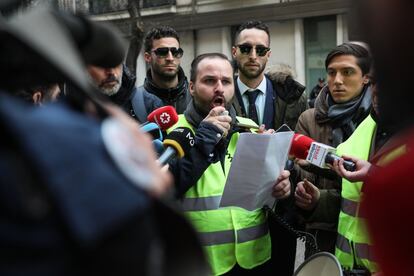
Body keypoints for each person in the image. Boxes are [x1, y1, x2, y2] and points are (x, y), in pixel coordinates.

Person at [169, 53, 291, 276]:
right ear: (192, 87)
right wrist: (204, 138)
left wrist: (280, 188)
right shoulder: (172, 132)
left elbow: (266, 197)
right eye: (209, 81)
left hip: (255, 260)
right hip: (200, 265)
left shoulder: (250, 130)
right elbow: (165, 189)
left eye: (225, 81)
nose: (219, 88)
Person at [294, 73, 390, 274]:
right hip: (346, 266)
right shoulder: (369, 124)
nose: (377, 89)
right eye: (375, 81)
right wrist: (317, 200)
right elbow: (349, 192)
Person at [293, 42, 373, 256]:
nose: (337, 81)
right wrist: (310, 196)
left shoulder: (377, 120)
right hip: (321, 235)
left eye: (347, 72)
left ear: (366, 77)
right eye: (331, 73)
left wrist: (323, 195)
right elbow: (302, 175)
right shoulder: (309, 119)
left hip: (366, 236)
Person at [231, 20, 307, 131]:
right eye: (245, 49)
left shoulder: (295, 98)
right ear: (234, 52)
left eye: (260, 50)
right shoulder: (219, 97)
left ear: (268, 54)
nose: (253, 56)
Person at [86, 63, 163, 122]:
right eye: (101, 65)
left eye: (115, 63)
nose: (111, 72)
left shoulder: (150, 104)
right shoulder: (78, 109)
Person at [141, 26, 191, 114]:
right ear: (148, 57)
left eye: (175, 52)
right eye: (162, 52)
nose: (170, 58)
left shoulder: (197, 98)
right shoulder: (135, 101)